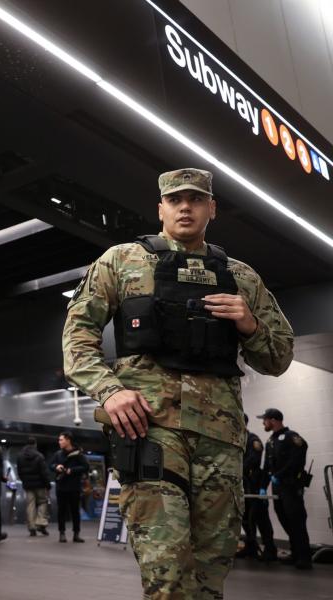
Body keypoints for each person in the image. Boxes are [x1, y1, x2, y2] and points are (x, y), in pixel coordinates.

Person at [62, 168, 294, 599]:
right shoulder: (122, 261)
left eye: (195, 199)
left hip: (220, 441)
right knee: (166, 571)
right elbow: (77, 338)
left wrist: (249, 324)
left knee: (211, 570)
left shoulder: (241, 277)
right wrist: (110, 390)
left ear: (212, 208)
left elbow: (279, 357)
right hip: (149, 431)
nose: (185, 207)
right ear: (160, 208)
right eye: (175, 200)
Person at [260, 408, 312, 569]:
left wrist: (280, 475)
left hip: (290, 486)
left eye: (265, 420)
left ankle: (304, 556)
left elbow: (298, 457)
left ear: (274, 420)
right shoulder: (270, 441)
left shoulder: (291, 437)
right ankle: (295, 552)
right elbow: (267, 467)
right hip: (278, 489)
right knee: (284, 519)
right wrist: (263, 487)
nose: (263, 423)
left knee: (297, 521)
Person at [236, 413, 276, 560]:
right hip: (241, 484)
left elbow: (253, 460)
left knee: (260, 518)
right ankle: (251, 546)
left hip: (252, 483)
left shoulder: (253, 440)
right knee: (245, 518)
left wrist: (235, 470)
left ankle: (270, 549)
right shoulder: (235, 440)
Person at [50, 432, 89, 543]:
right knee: (61, 511)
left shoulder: (78, 454)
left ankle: (76, 534)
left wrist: (72, 470)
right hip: (61, 486)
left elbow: (86, 466)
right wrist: (56, 467)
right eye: (59, 440)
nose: (59, 442)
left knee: (75, 511)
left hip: (74, 486)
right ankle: (62, 533)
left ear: (68, 440)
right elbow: (50, 465)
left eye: (61, 440)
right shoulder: (58, 454)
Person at [16, 437, 50, 536]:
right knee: (42, 502)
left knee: (30, 505)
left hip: (28, 485)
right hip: (40, 485)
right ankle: (40, 523)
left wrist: (24, 481)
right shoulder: (39, 456)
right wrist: (47, 484)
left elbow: (20, 472)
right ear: (35, 444)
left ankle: (32, 527)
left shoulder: (20, 456)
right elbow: (44, 472)